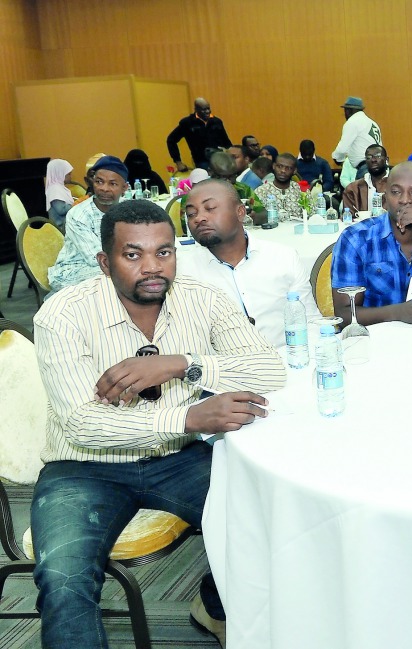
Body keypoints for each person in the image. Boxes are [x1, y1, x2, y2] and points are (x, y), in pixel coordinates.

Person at [32, 199, 285, 649]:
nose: (152, 267)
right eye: (133, 255)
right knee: (65, 581)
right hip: (83, 468)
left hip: (176, 459)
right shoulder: (63, 313)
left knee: (272, 520)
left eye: (164, 252)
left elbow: (270, 370)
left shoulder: (202, 299)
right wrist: (187, 416)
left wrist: (183, 364)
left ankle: (215, 603)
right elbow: (82, 424)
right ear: (104, 262)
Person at [177, 179, 319, 346]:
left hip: (285, 359)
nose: (199, 218)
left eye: (210, 209)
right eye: (191, 213)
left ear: (240, 212)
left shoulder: (283, 257)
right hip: (221, 367)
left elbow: (310, 321)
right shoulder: (182, 271)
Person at [331, 162, 412, 325]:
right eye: (396, 192)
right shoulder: (356, 239)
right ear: (385, 198)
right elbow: (344, 314)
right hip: (375, 342)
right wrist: (396, 312)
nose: (405, 200)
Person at [48, 155, 129, 291]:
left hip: (114, 264)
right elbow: (96, 259)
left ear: (124, 188)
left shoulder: (128, 210)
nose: (104, 188)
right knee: (126, 275)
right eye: (99, 182)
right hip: (75, 270)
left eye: (112, 184)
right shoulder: (78, 215)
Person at [166, 97, 231, 172]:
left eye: (208, 108)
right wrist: (178, 162)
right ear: (196, 109)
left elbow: (226, 141)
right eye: (203, 109)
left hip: (219, 159)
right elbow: (171, 140)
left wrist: (230, 153)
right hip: (201, 161)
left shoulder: (216, 121)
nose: (207, 111)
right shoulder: (187, 123)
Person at [332, 96, 383, 181]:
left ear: (348, 111)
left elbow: (342, 149)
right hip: (380, 168)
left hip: (366, 168)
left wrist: (338, 158)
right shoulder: (373, 123)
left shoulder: (353, 122)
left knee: (363, 194)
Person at [206, 151, 265, 224]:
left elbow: (264, 213)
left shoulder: (243, 189)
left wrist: (255, 216)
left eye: (232, 177)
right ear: (210, 172)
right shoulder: (200, 193)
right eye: (223, 177)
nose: (229, 182)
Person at [253, 153, 305, 221]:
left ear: (294, 171)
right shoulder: (261, 191)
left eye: (288, 168)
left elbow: (312, 216)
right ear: (274, 166)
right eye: (280, 166)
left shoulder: (301, 191)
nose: (283, 171)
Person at [342, 144, 390, 214]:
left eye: (378, 156)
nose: (373, 160)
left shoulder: (396, 185)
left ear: (386, 160)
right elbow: (348, 218)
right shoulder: (353, 189)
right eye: (369, 157)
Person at [45, 158, 75, 228]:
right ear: (60, 173)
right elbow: (61, 210)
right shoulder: (55, 189)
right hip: (62, 227)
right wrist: (77, 205)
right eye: (69, 174)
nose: (71, 177)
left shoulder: (59, 188)